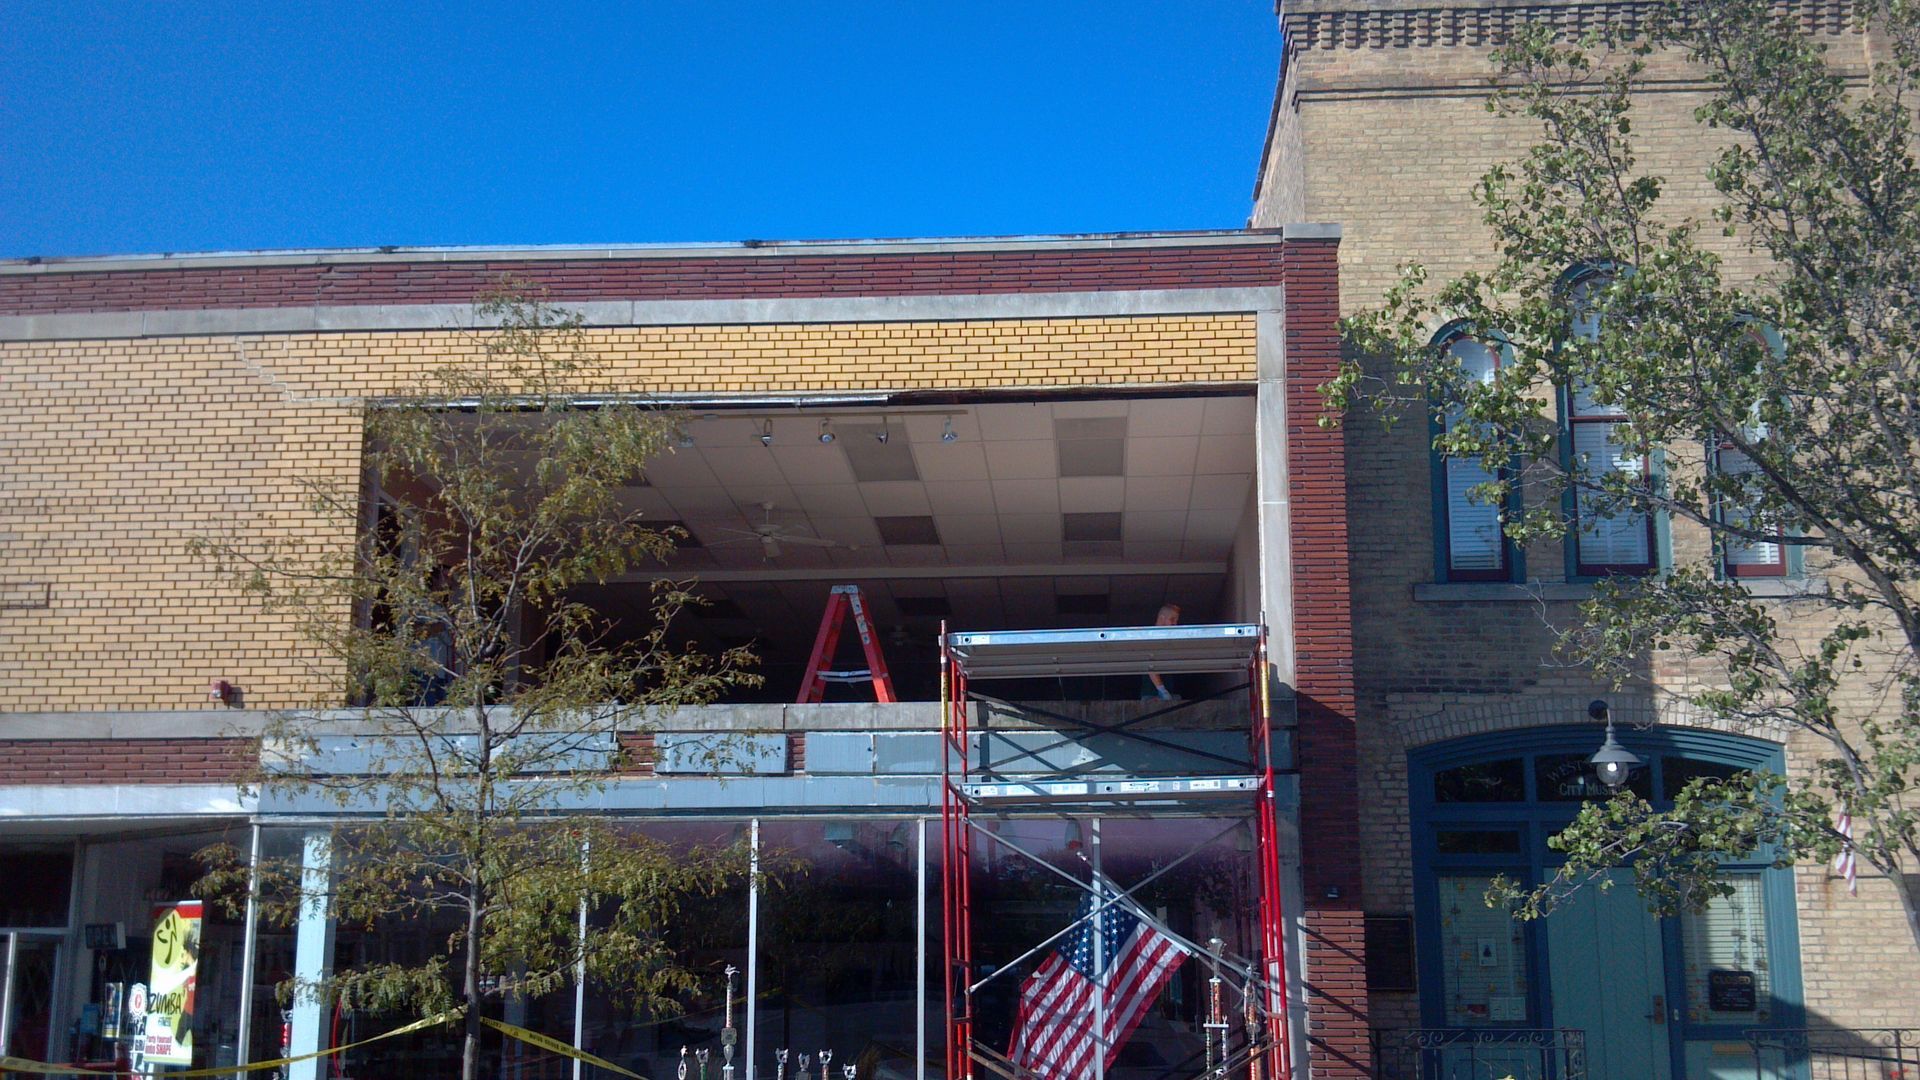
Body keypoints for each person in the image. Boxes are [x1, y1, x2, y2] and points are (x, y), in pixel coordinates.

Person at [1143, 603, 1181, 701]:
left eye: (1176, 621)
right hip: (1151, 695)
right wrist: (1162, 690)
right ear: (1162, 618)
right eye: (1172, 619)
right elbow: (1150, 666)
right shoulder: (1152, 637)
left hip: (1166, 694)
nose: (1175, 624)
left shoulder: (1167, 639)